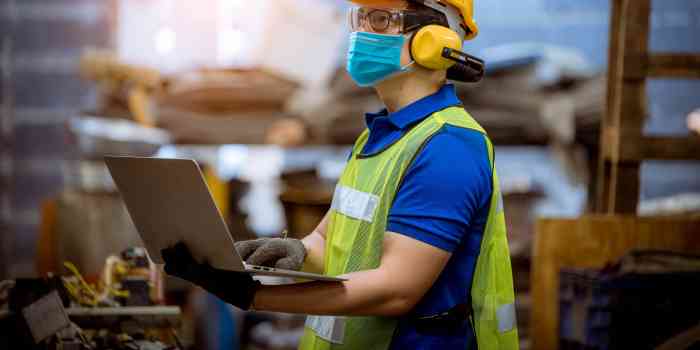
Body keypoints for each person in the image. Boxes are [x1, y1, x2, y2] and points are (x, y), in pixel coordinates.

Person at [161, 0, 519, 348]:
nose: (360, 33)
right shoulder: (380, 136)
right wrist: (292, 252)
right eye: (359, 18)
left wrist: (254, 295)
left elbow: (395, 291)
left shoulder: (448, 147)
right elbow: (328, 241)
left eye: (379, 21)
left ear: (435, 42)